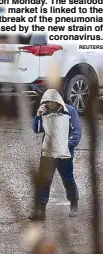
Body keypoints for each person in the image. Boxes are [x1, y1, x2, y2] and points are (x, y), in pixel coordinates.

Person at [29, 88, 82, 221]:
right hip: (47, 154)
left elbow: (77, 132)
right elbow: (37, 129)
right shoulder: (44, 113)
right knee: (44, 182)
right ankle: (40, 210)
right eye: (46, 102)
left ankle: (74, 204)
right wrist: (38, 115)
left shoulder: (70, 111)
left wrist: (66, 146)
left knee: (68, 180)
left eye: (51, 102)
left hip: (65, 155)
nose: (49, 105)